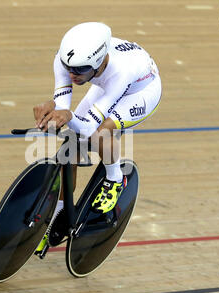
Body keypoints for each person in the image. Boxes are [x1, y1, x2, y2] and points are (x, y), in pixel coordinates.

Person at [34, 22, 161, 253]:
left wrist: (67, 115)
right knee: (69, 148)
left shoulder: (121, 71)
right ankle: (59, 214)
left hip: (141, 92)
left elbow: (88, 126)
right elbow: (63, 104)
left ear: (99, 62)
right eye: (68, 67)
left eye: (80, 70)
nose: (72, 74)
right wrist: (52, 109)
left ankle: (115, 179)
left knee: (101, 133)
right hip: (108, 85)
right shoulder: (68, 60)